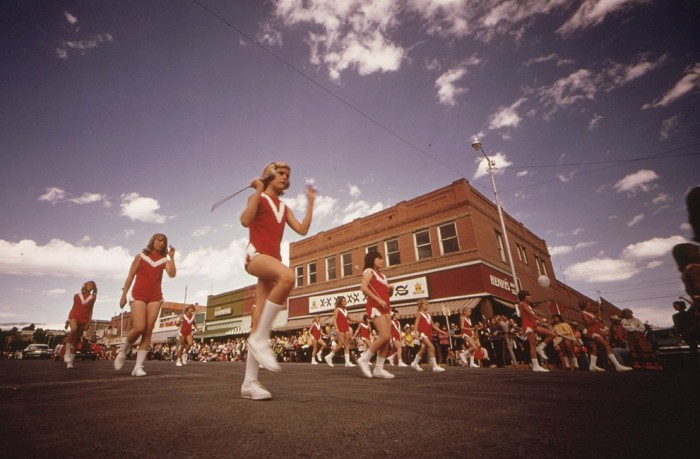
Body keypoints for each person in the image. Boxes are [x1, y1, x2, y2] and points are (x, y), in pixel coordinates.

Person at [239, 161, 315, 400]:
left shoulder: (283, 207)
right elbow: (245, 220)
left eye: (287, 175)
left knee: (259, 319)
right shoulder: (258, 198)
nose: (285, 177)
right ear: (270, 175)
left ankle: (249, 383)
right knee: (288, 276)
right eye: (280, 173)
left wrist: (311, 204)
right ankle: (261, 339)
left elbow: (302, 230)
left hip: (273, 259)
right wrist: (257, 190)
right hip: (256, 256)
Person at [116, 233, 176, 376]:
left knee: (148, 330)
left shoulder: (164, 260)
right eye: (158, 240)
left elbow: (172, 274)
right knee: (139, 327)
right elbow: (130, 276)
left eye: (164, 241)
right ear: (152, 241)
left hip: (155, 296)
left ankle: (138, 367)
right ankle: (123, 351)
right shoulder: (140, 257)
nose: (161, 243)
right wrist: (124, 295)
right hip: (138, 295)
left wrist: (172, 257)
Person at [355, 251, 395, 379]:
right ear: (373, 260)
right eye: (379, 259)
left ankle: (379, 369)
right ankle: (364, 359)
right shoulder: (368, 272)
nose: (382, 261)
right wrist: (377, 300)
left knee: (387, 339)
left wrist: (391, 290)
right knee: (384, 336)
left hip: (385, 307)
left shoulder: (383, 276)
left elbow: (387, 296)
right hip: (375, 307)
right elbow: (363, 288)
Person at [579, 300, 632, 372]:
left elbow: (597, 317)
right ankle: (617, 365)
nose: (591, 306)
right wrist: (595, 317)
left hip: (595, 331)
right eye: (590, 305)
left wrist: (598, 308)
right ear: (585, 306)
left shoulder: (590, 313)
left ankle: (592, 365)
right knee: (606, 346)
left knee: (595, 348)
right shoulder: (583, 313)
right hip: (592, 332)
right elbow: (588, 323)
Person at [517, 290, 556, 372]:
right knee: (532, 345)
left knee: (552, 334)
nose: (530, 297)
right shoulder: (522, 304)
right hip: (528, 326)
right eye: (528, 296)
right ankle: (536, 366)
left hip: (533, 324)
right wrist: (541, 320)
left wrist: (541, 323)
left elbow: (530, 316)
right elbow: (531, 314)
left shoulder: (527, 305)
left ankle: (540, 348)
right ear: (524, 297)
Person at [64, 281, 97, 369]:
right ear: (85, 286)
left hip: (84, 319)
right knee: (74, 329)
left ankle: (70, 362)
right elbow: (73, 307)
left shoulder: (93, 297)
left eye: (92, 286)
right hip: (74, 316)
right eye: (89, 285)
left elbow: (91, 310)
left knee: (75, 341)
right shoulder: (76, 295)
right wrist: (68, 320)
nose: (91, 287)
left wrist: (89, 322)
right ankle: (67, 352)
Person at [409, 298, 446, 373]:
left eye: (428, 304)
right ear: (421, 306)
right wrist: (415, 332)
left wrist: (441, 331)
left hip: (428, 334)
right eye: (426, 304)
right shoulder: (419, 314)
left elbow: (433, 325)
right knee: (431, 348)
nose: (427, 306)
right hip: (423, 334)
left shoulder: (429, 315)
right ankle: (435, 366)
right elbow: (416, 323)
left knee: (423, 349)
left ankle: (415, 363)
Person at [324, 297, 356, 368]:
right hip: (340, 328)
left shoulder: (345, 310)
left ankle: (347, 362)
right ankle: (329, 356)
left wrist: (359, 320)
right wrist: (337, 328)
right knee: (340, 345)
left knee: (347, 345)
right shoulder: (336, 310)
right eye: (343, 301)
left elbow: (350, 319)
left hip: (346, 328)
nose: (345, 302)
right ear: (340, 302)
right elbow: (334, 320)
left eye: (345, 301)